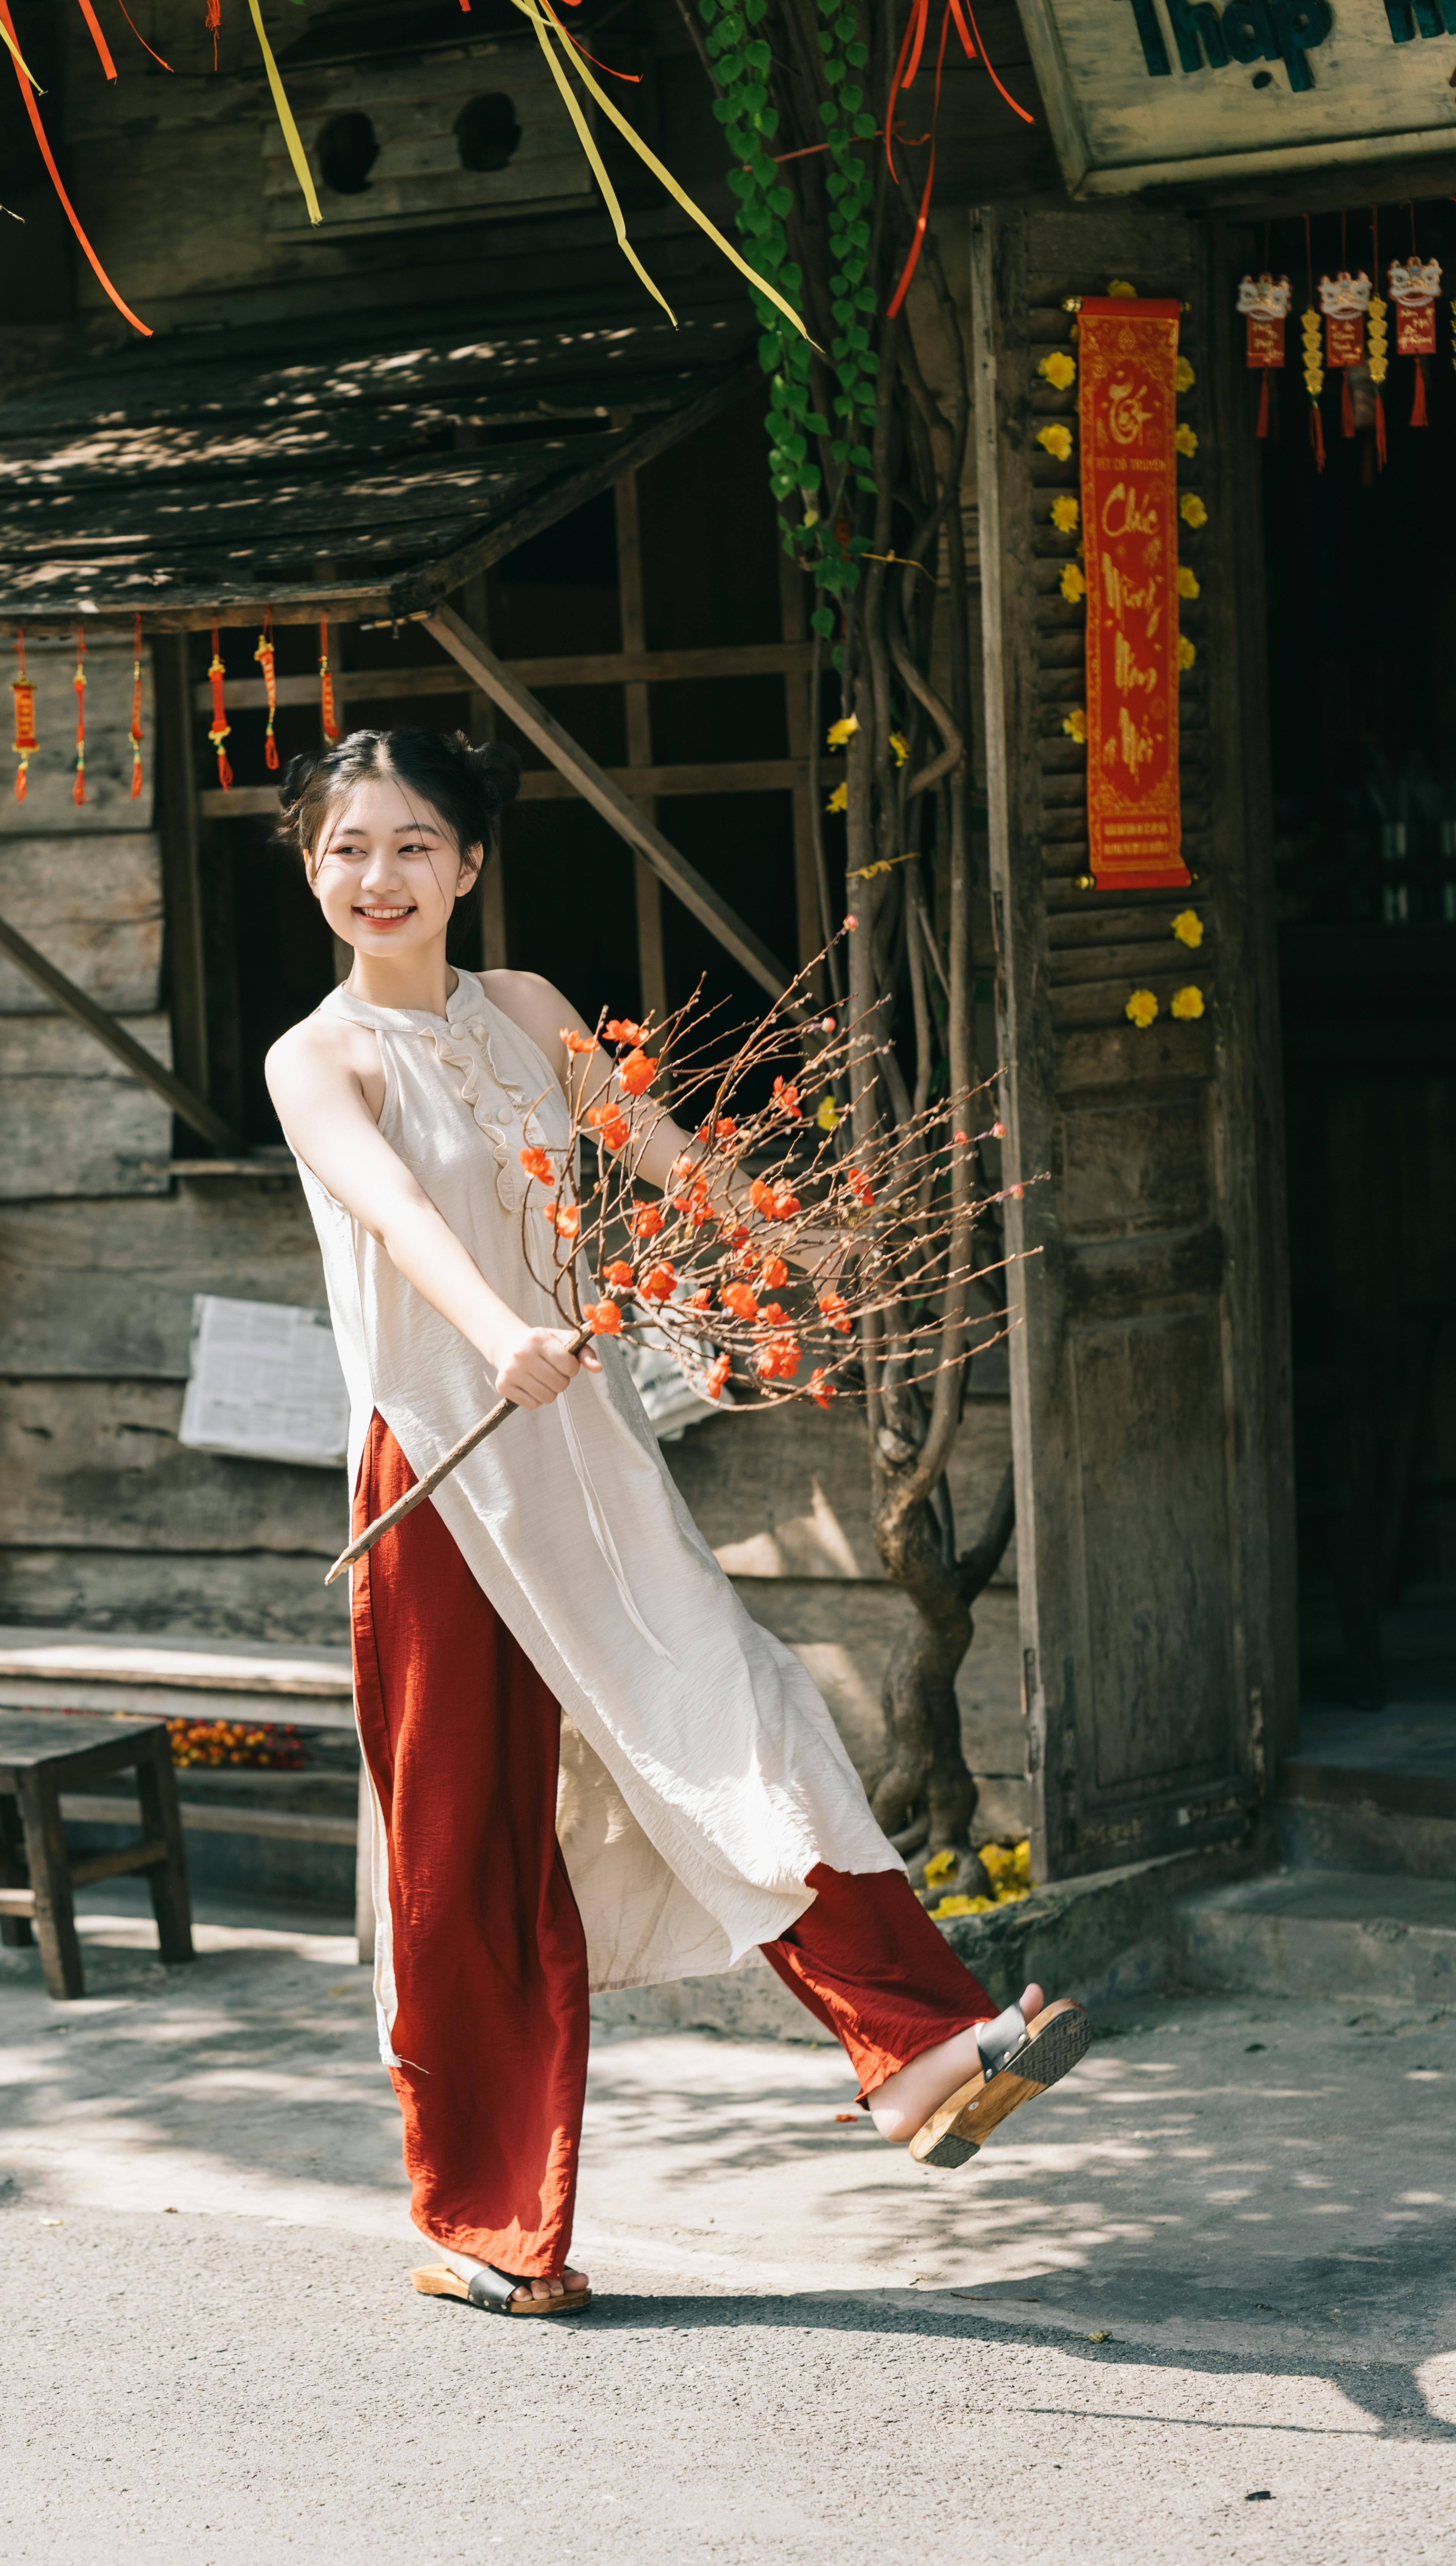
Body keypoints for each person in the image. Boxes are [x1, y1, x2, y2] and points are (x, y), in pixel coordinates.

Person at [264, 726, 1089, 2321]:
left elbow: (655, 1151)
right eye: (348, 849)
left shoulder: (524, 1011)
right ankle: (489, 2223)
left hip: (583, 1443)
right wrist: (494, 1328)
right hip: (445, 1467)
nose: (382, 877)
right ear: (312, 870)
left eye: (415, 844)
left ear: (473, 863)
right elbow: (401, 1211)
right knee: (470, 1843)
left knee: (739, 1709)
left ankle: (917, 2056)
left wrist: (802, 1238)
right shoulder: (323, 1057)